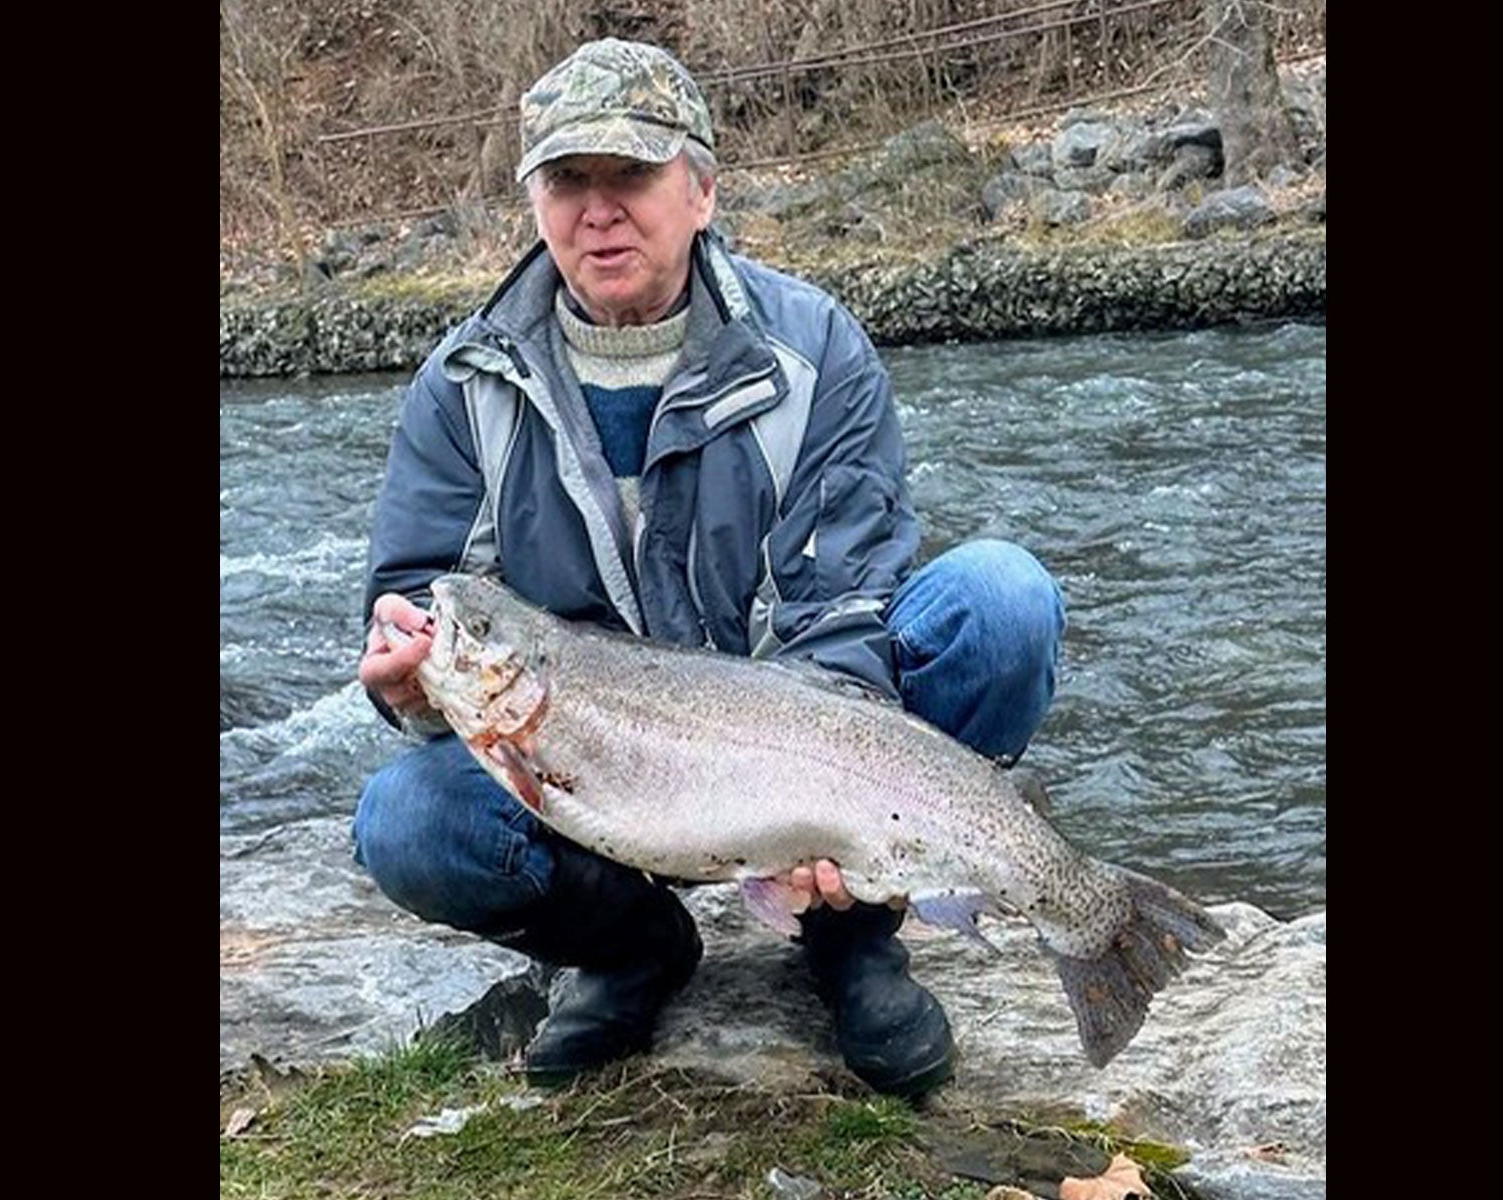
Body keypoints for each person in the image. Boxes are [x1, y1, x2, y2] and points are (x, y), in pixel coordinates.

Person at [353, 37, 1065, 1098]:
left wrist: (824, 835)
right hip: (593, 765)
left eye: (630, 177)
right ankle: (630, 950)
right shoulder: (465, 382)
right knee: (405, 822)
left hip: (798, 747)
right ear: (536, 201)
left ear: (700, 190)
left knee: (1004, 602)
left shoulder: (815, 350)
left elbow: (848, 609)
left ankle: (852, 936)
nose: (598, 212)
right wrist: (409, 682)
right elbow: (419, 596)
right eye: (566, 182)